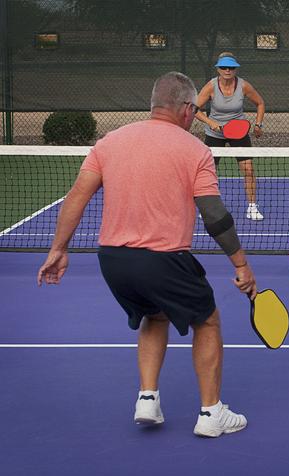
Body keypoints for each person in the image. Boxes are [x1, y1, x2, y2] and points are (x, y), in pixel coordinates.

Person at [37, 72, 257, 438]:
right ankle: (211, 413)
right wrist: (242, 265)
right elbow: (214, 215)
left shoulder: (110, 141)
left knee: (155, 316)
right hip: (164, 260)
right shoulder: (195, 150)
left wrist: (58, 249)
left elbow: (77, 194)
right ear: (188, 110)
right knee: (208, 321)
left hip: (112, 261)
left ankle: (147, 399)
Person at [194, 52, 266, 220]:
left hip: (238, 132)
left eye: (231, 67)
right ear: (218, 69)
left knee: (248, 169)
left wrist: (258, 124)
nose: (227, 70)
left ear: (235, 69)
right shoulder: (211, 86)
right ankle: (207, 207)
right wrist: (210, 122)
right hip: (214, 133)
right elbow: (194, 108)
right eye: (224, 67)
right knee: (209, 172)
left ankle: (252, 207)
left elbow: (260, 103)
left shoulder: (243, 86)